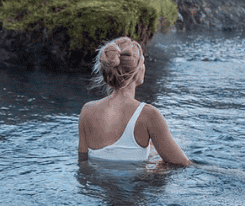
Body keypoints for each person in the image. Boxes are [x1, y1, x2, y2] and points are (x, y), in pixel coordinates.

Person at [78, 36, 191, 165]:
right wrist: (157, 171)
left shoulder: (87, 110)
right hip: (135, 184)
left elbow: (83, 165)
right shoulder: (149, 115)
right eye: (143, 62)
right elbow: (183, 164)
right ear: (138, 71)